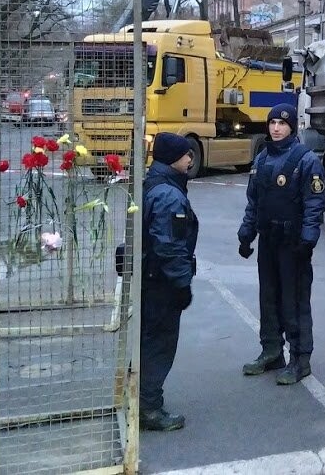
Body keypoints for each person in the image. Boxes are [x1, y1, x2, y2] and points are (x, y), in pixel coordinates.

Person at [238, 103, 325, 385]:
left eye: (282, 123)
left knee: (294, 301)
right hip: (268, 241)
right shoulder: (262, 159)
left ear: (292, 127)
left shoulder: (306, 160)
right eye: (272, 123)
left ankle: (300, 359)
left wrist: (308, 240)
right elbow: (254, 201)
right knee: (269, 297)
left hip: (293, 242)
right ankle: (272, 351)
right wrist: (246, 233)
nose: (276, 128)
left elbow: (315, 204)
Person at [139, 132, 201, 431]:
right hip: (161, 282)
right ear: (173, 158)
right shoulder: (168, 195)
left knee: (148, 340)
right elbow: (170, 245)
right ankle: (149, 408)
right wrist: (181, 284)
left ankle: (142, 399)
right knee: (159, 345)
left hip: (150, 276)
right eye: (187, 154)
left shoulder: (155, 183)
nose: (191, 159)